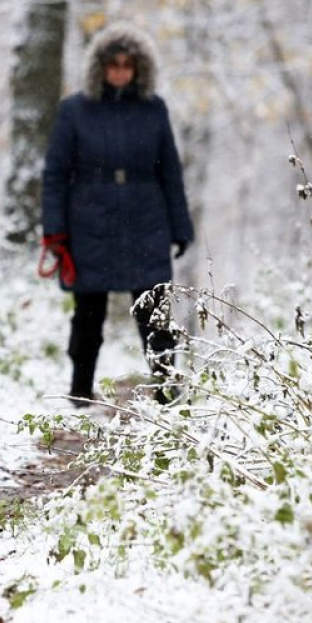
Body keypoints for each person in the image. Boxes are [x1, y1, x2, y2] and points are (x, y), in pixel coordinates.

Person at [38, 23, 195, 406]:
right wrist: (55, 231)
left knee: (155, 312)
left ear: (140, 67)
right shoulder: (74, 110)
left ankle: (166, 391)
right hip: (90, 221)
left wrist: (180, 226)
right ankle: (79, 391)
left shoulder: (154, 109)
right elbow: (55, 174)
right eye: (114, 63)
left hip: (146, 219)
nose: (121, 70)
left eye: (128, 63)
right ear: (101, 66)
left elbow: (170, 171)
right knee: (88, 315)